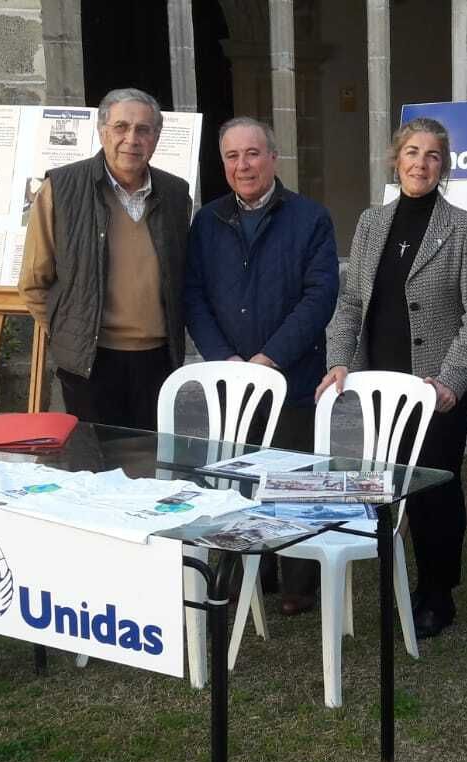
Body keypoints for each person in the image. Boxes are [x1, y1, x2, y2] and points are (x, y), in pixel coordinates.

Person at [318, 117, 467, 639]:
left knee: (435, 489)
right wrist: (340, 360)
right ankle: (392, 572)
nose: (421, 163)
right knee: (384, 486)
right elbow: (350, 301)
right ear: (397, 159)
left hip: (436, 391)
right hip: (376, 387)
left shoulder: (465, 228)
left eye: (433, 155)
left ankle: (438, 592)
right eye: (412, 152)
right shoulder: (371, 223)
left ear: (445, 165)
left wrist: (452, 379)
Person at [185, 117, 339, 615]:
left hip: (291, 377)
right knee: (235, 482)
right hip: (232, 382)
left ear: (274, 157)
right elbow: (193, 296)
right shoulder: (206, 222)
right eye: (232, 156)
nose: (243, 165)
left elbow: (320, 296)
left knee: (293, 479)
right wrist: (227, 361)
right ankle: (243, 569)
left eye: (253, 154)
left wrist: (269, 358)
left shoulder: (310, 218)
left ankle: (297, 582)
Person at [18, 88, 191, 430]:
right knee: (94, 467)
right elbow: (33, 282)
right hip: (91, 361)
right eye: (121, 127)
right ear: (102, 131)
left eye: (143, 129)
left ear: (156, 137)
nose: (132, 139)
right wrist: (71, 330)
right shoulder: (62, 188)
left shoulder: (175, 194)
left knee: (149, 466)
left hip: (157, 361)